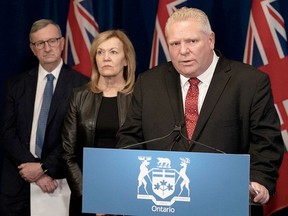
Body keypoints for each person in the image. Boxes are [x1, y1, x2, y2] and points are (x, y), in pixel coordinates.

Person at [116, 7, 284, 215]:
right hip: (162, 205)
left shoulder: (250, 82)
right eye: (175, 44)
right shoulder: (148, 82)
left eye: (192, 41)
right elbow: (130, 138)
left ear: (211, 40)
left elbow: (266, 141)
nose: (183, 51)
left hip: (225, 203)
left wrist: (259, 180)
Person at [0, 19, 89, 215]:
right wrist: (35, 173)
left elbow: (77, 138)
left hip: (60, 181)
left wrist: (44, 168)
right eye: (40, 43)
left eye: (52, 41)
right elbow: (7, 132)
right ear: (32, 48)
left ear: (62, 43)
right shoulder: (16, 84)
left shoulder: (83, 86)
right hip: (18, 182)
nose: (47, 48)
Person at [62, 29, 136, 216]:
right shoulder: (79, 96)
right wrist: (92, 196)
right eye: (100, 52)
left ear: (126, 60)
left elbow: (146, 150)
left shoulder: (139, 97)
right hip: (86, 196)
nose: (105, 58)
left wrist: (117, 196)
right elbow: (68, 154)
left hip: (128, 195)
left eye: (113, 52)